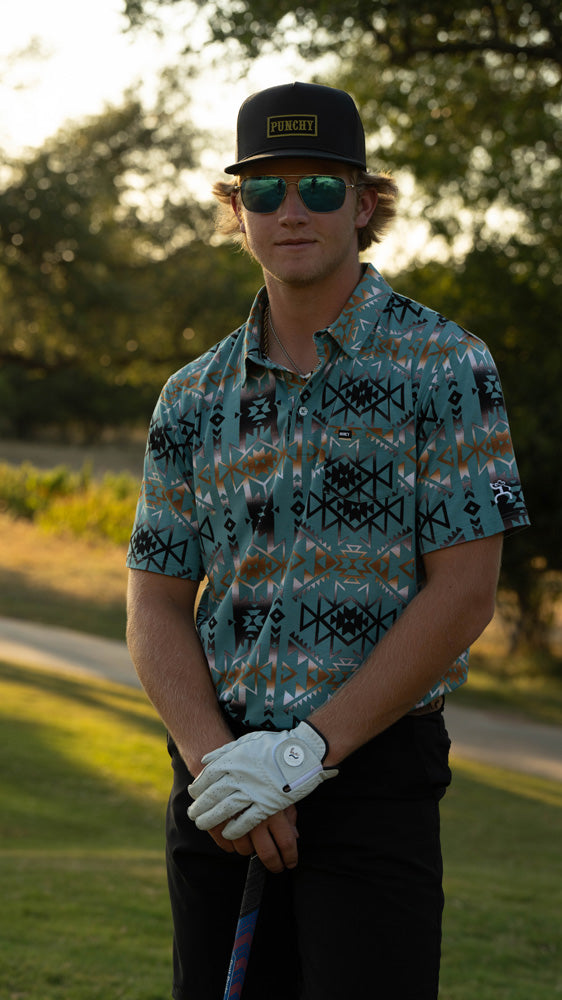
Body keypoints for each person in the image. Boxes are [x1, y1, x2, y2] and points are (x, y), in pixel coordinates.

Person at [126, 82, 530, 1000]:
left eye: (317, 185)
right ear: (239, 212)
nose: (291, 210)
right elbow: (154, 601)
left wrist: (302, 754)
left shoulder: (444, 363)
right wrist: (218, 767)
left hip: (373, 779)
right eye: (264, 191)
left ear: (364, 201)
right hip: (218, 782)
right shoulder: (191, 395)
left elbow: (464, 593)